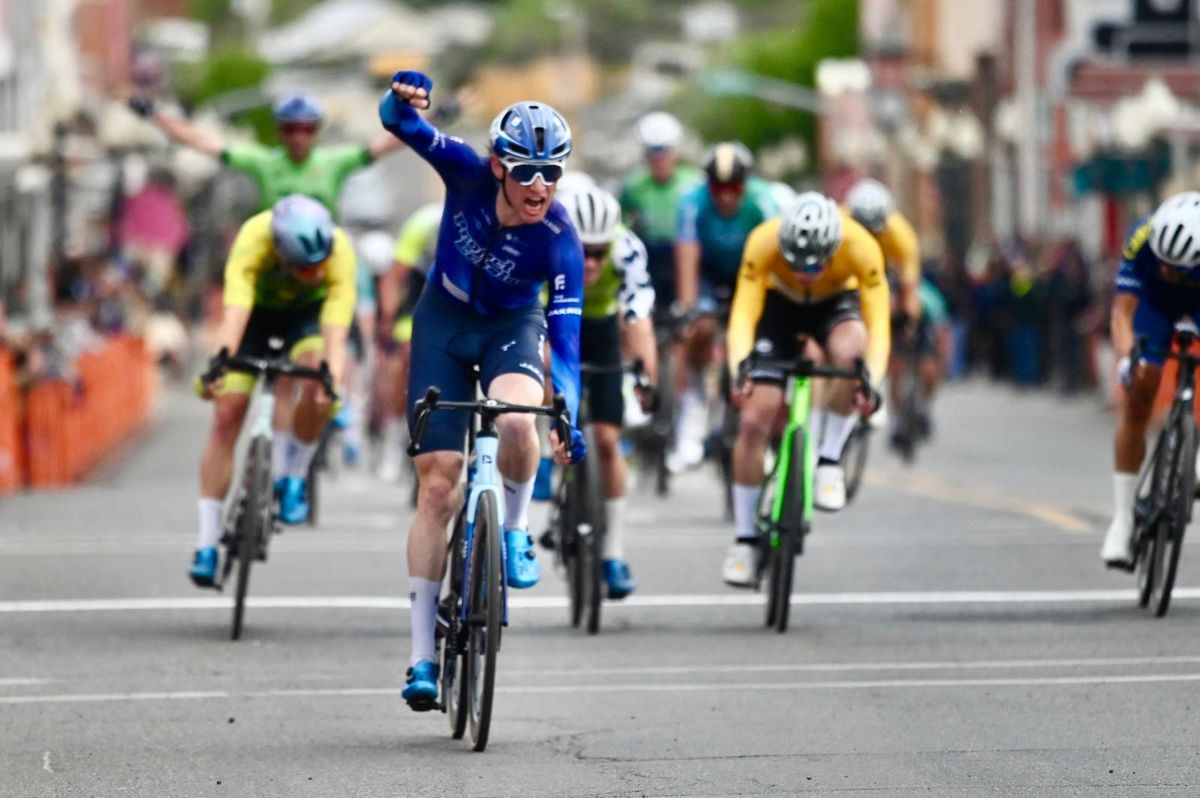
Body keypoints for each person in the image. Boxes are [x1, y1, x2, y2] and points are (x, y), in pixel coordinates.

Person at [379, 71, 585, 711]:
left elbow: (567, 340)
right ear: (498, 166)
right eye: (525, 171)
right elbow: (399, 124)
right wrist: (401, 96)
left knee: (520, 420)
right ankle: (419, 657)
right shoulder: (465, 171)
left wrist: (567, 414)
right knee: (438, 485)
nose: (540, 186)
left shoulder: (561, 240)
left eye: (552, 171)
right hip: (442, 321)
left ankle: (518, 527)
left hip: (509, 326)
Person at [721, 193, 888, 586]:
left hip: (835, 305)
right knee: (753, 422)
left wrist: (872, 381)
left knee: (851, 356)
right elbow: (743, 315)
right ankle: (744, 539)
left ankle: (829, 461)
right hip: (778, 308)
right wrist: (739, 370)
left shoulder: (860, 245)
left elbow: (879, 325)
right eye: (798, 262)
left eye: (818, 262)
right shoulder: (763, 241)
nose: (808, 271)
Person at [190, 195, 355, 585]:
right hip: (256, 317)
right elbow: (235, 314)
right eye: (304, 267)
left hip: (307, 318)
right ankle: (207, 542)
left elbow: (336, 329)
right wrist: (218, 364)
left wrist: (332, 380)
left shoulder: (341, 251)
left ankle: (295, 475)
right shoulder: (253, 239)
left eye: (320, 266)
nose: (315, 273)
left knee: (316, 374)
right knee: (228, 412)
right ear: (280, 254)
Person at [558, 182, 658, 598]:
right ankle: (550, 491)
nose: (593, 261)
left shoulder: (627, 249)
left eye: (599, 251)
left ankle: (613, 552)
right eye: (585, 251)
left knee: (608, 440)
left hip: (598, 326)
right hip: (553, 315)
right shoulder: (548, 241)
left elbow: (638, 318)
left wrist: (645, 379)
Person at [1103, 191, 1200, 567]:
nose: (1165, 269)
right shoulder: (1144, 236)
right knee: (1141, 391)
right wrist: (1128, 359)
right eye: (1162, 261)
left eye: (1173, 266)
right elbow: (1122, 313)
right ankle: (1123, 520)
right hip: (1154, 306)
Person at [670, 142, 778, 470]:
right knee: (699, 328)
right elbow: (687, 256)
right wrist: (690, 307)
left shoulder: (763, 200)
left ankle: (764, 432)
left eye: (734, 187)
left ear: (745, 184)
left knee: (764, 340)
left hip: (751, 272)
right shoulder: (692, 201)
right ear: (708, 184)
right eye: (719, 186)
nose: (727, 195)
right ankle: (695, 408)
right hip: (708, 274)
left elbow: (775, 254)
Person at [132, 91, 406, 213]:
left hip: (323, 260)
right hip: (277, 258)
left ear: (317, 131)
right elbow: (201, 141)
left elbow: (384, 144)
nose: (299, 136)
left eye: (307, 128)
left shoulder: (334, 161)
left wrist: (432, 121)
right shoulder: (263, 162)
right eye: (291, 128)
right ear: (279, 132)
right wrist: (156, 115)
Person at [375, 201, 442, 482]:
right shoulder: (423, 223)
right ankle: (392, 442)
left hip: (464, 297)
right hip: (420, 297)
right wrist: (388, 319)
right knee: (405, 357)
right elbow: (393, 278)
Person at [619, 112, 703, 311]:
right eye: (652, 152)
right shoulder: (633, 186)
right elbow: (619, 224)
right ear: (644, 154)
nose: (659, 158)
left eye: (664, 151)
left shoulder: (695, 182)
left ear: (675, 151)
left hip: (685, 254)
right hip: (649, 256)